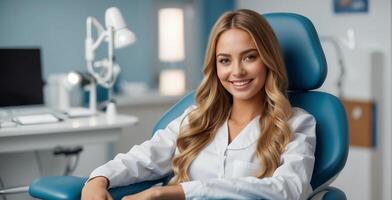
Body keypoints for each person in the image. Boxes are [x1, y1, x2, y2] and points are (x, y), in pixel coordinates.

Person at [82, 9, 316, 200]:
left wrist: (178, 192)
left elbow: (290, 189)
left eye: (249, 57)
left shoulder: (297, 123)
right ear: (215, 67)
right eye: (225, 60)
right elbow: (145, 157)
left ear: (268, 60)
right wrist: (99, 178)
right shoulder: (196, 118)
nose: (237, 71)